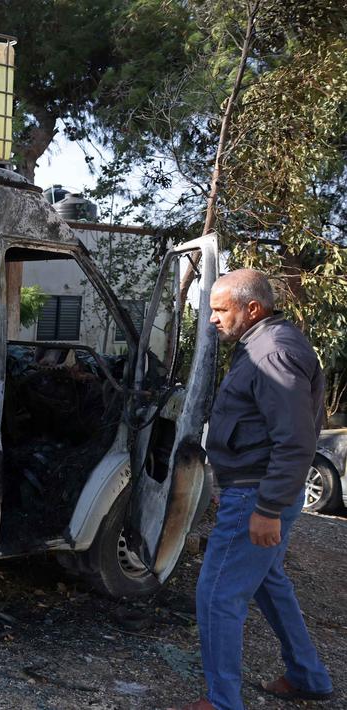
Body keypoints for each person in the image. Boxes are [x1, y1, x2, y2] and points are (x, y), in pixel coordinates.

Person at [177, 269, 334, 710]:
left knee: (217, 594)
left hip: (257, 495)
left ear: (252, 308)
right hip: (249, 489)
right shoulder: (261, 344)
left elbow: (296, 441)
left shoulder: (272, 353)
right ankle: (307, 675)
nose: (211, 319)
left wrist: (266, 506)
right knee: (269, 583)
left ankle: (222, 702)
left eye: (219, 310)